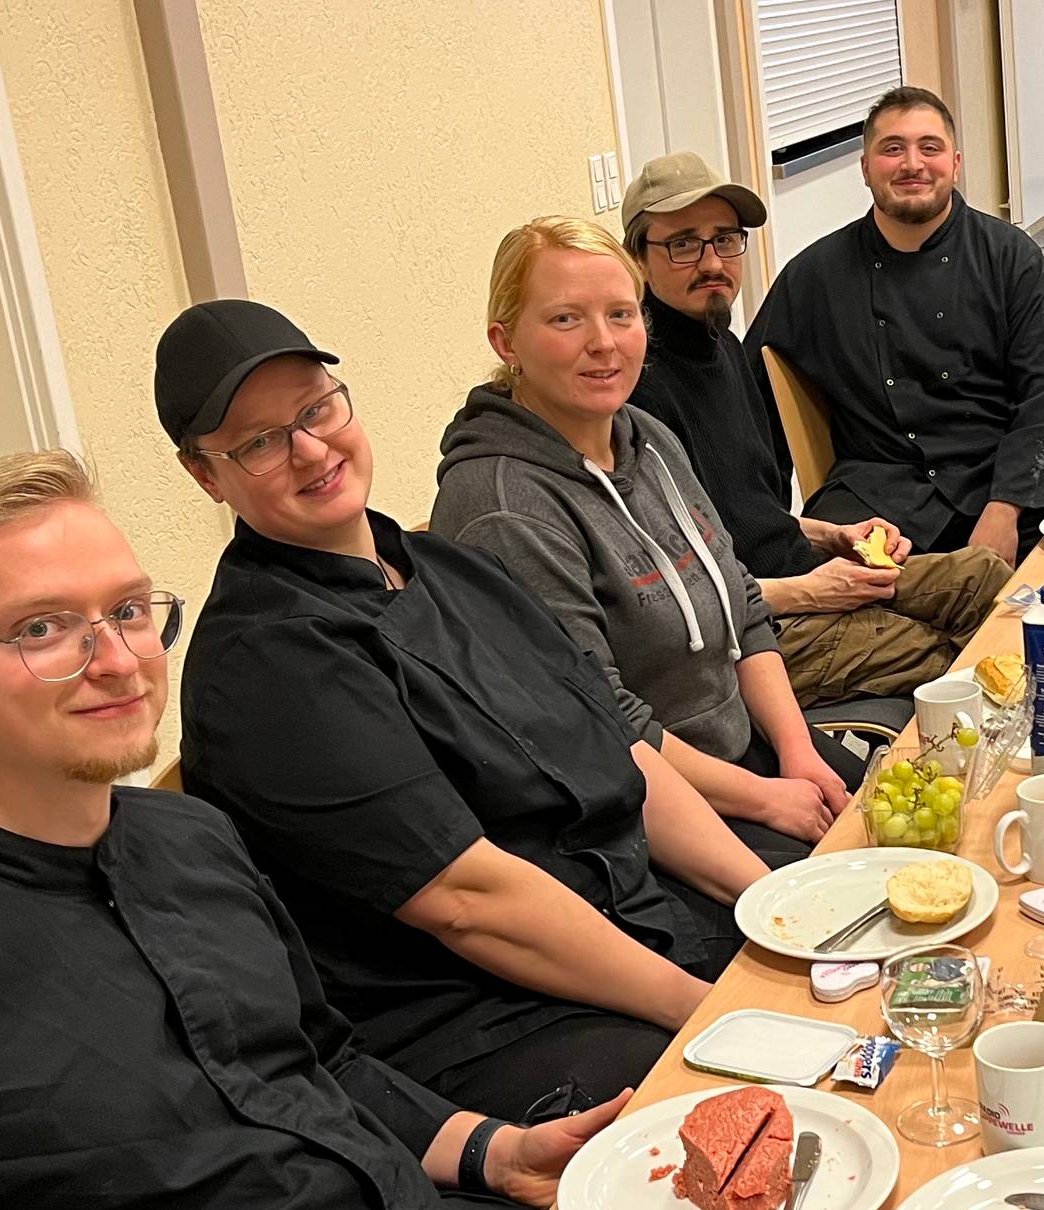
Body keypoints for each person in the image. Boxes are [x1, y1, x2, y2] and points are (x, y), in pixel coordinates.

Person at [0, 452, 623, 1210]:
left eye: (125, 611)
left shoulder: (190, 839)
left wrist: (494, 1152)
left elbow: (318, 1065)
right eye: (41, 628)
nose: (117, 662)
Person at [162, 300, 770, 1119]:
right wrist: (700, 1008)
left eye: (316, 409)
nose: (311, 449)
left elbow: (620, 749)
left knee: (852, 952)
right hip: (492, 1018)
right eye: (262, 442)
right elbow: (471, 902)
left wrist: (772, 905)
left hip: (633, 911)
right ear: (207, 476)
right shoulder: (267, 666)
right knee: (761, 1104)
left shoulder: (446, 566)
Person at [433, 216, 865, 851]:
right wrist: (768, 798)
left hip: (742, 752)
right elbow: (601, 718)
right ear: (506, 342)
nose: (604, 343)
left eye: (621, 314)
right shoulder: (504, 506)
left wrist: (798, 752)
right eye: (565, 319)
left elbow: (741, 606)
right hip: (642, 813)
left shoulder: (646, 437)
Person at [619, 150, 1011, 705]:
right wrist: (810, 591)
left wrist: (832, 535)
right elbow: (680, 589)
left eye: (726, 239)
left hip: (799, 576)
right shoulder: (635, 393)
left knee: (989, 578)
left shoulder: (726, 348)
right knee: (949, 656)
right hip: (750, 633)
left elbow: (751, 515)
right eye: (683, 243)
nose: (712, 262)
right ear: (638, 259)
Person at [745, 85, 1044, 566]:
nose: (912, 164)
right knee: (822, 590)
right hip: (881, 490)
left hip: (1005, 474)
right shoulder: (815, 276)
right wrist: (761, 519)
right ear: (865, 168)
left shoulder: (1009, 258)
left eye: (929, 148)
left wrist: (1005, 508)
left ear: (955, 162)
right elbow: (750, 403)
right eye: (892, 149)